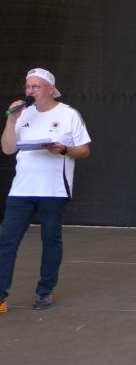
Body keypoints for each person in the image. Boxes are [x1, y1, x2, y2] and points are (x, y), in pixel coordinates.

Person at [0, 68, 91, 313]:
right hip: (21, 190)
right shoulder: (22, 114)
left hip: (54, 190)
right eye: (28, 87)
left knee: (50, 240)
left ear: (50, 89)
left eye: (36, 87)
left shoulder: (68, 114)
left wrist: (64, 149)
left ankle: (45, 291)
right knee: (6, 241)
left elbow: (84, 150)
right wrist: (11, 120)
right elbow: (8, 149)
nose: (30, 91)